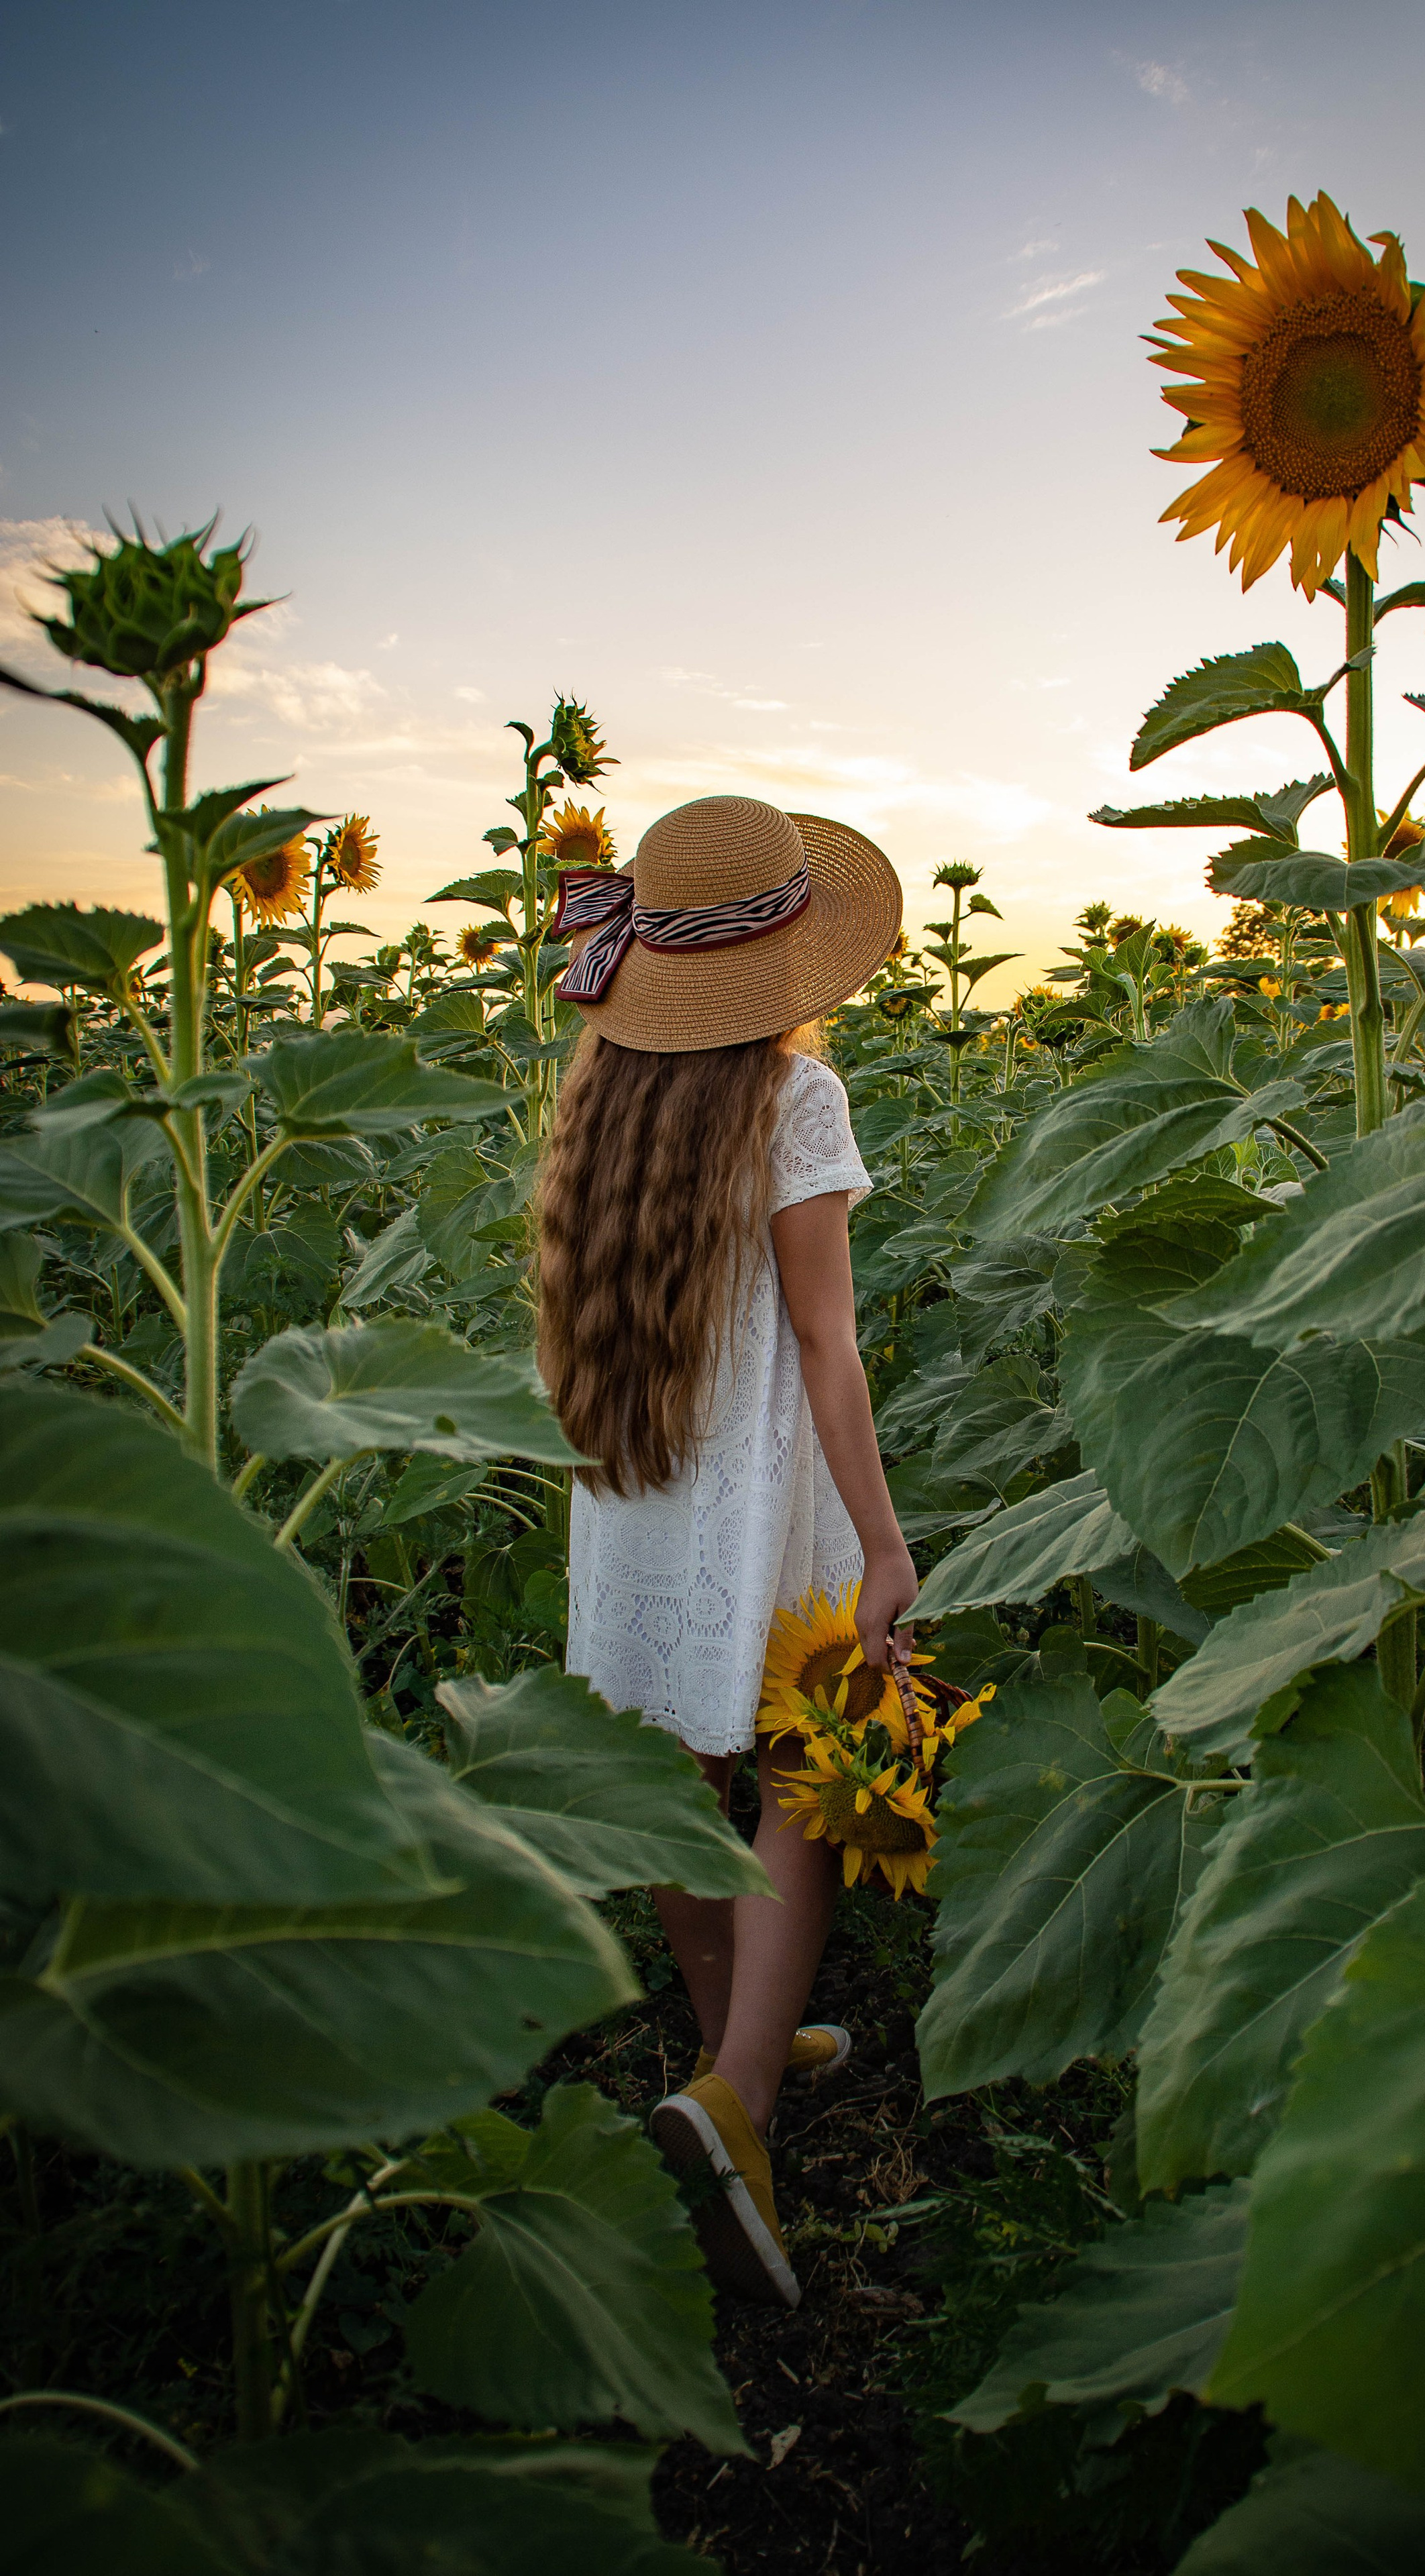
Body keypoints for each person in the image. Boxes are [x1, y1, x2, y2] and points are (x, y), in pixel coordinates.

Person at [535, 792, 918, 2310]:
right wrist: (884, 1549)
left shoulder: (601, 1085)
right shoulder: (789, 1098)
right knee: (804, 1775)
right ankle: (740, 2106)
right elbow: (826, 1350)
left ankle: (721, 2052)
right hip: (761, 1488)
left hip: (631, 1486)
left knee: (673, 1781)